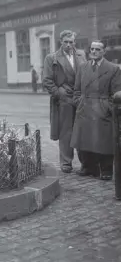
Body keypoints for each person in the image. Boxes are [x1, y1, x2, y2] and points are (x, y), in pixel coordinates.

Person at [71, 40, 121, 180]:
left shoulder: (113, 69)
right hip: (85, 107)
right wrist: (79, 102)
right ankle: (88, 167)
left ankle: (106, 170)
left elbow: (116, 94)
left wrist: (107, 107)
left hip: (102, 108)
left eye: (98, 49)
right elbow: (76, 90)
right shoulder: (83, 67)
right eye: (92, 49)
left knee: (104, 141)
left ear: (104, 52)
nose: (94, 52)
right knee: (84, 139)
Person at [42, 30, 87, 173]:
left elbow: (86, 74)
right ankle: (66, 162)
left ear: (75, 42)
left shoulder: (81, 55)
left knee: (82, 130)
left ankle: (85, 163)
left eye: (71, 42)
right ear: (61, 42)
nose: (69, 45)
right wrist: (59, 94)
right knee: (66, 132)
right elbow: (47, 80)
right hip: (64, 99)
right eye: (66, 42)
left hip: (80, 98)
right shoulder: (52, 58)